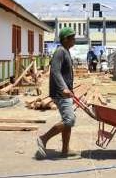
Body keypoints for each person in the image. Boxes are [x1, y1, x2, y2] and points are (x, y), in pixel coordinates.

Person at [37, 27, 77, 158]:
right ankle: (43, 138)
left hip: (66, 92)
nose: (74, 40)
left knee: (67, 120)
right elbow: (55, 71)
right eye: (72, 37)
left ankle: (65, 150)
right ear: (66, 39)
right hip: (61, 93)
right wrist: (63, 88)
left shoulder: (65, 51)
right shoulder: (60, 51)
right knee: (69, 119)